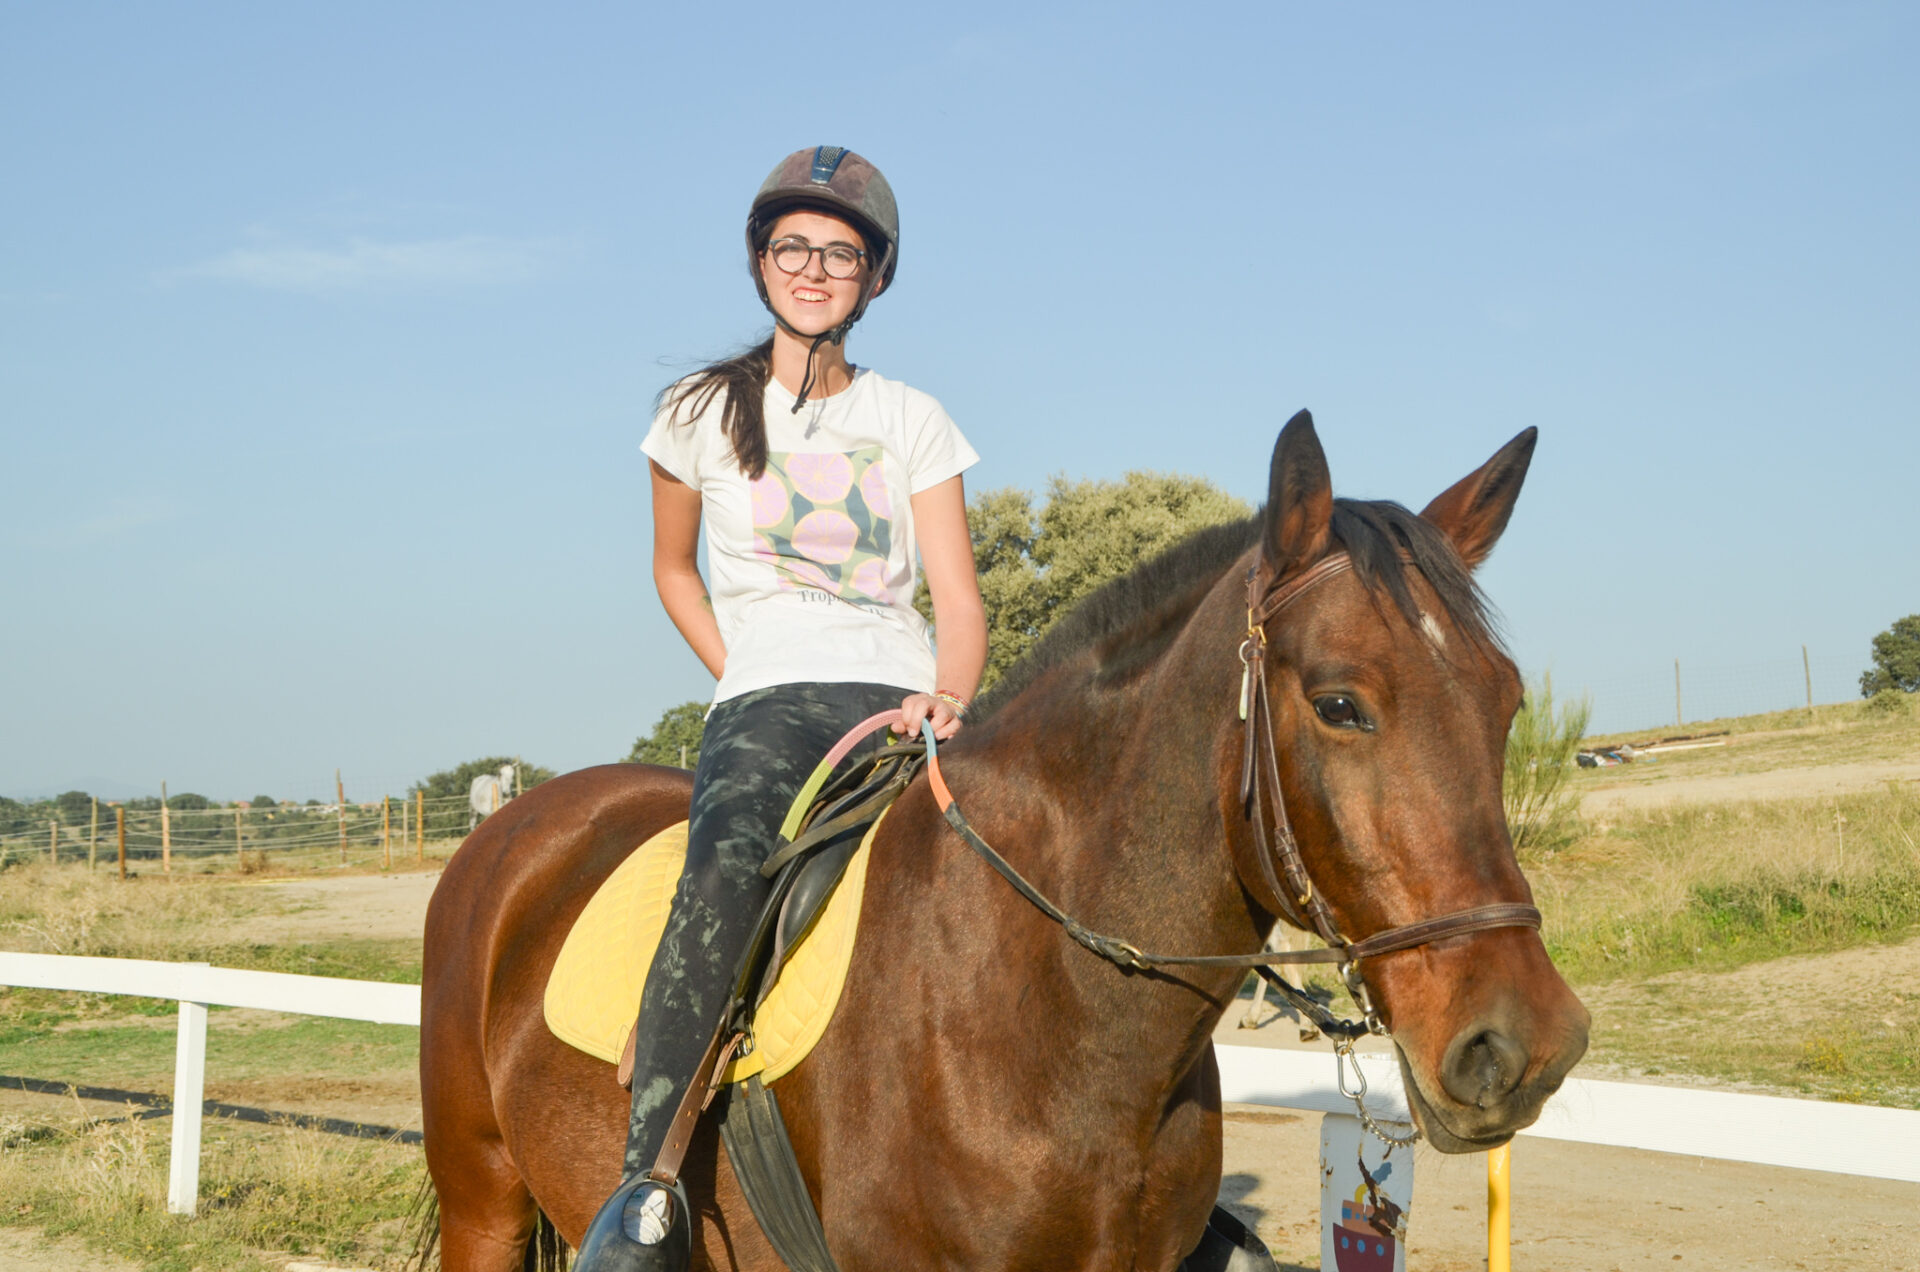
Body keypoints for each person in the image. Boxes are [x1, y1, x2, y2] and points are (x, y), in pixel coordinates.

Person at [575, 146, 987, 1272]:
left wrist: (949, 698)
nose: (814, 268)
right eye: (793, 248)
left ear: (876, 278)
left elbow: (958, 596)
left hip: (905, 700)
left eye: (839, 253)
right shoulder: (700, 410)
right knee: (721, 871)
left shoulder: (914, 419)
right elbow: (672, 571)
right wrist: (743, 666)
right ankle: (646, 1186)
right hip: (766, 698)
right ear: (762, 262)